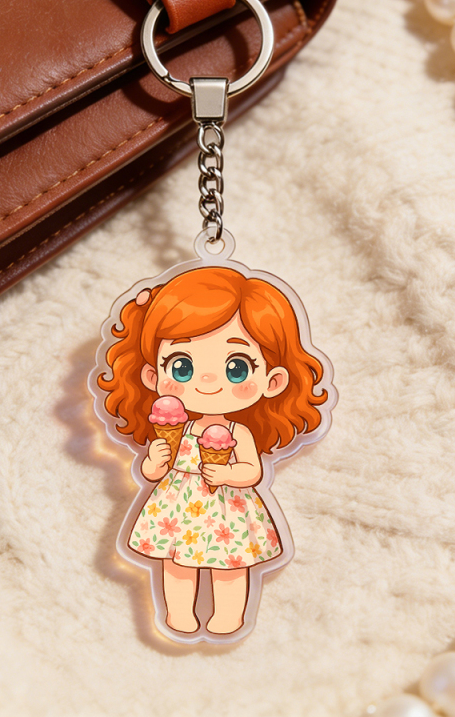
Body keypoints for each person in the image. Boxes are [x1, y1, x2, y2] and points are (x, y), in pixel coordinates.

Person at [97, 267, 329, 634]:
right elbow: (153, 472)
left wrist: (228, 473)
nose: (207, 380)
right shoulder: (176, 428)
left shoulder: (239, 432)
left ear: (273, 381)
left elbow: (252, 471)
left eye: (236, 368)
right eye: (182, 366)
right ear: (152, 377)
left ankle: (229, 616)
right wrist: (154, 462)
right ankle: (178, 613)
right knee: (174, 562)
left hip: (228, 509)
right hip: (177, 507)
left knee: (231, 565)